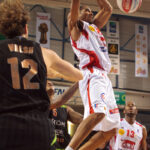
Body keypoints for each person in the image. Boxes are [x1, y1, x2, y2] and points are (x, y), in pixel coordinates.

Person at [0, 0, 83, 150]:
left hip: (7, 125)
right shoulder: (44, 54)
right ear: (26, 28)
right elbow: (78, 75)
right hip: (38, 128)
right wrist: (54, 72)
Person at [66, 0, 120, 149]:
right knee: (98, 113)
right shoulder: (75, 28)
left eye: (91, 11)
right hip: (92, 74)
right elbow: (74, 11)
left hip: (104, 76)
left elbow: (108, 8)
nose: (90, 13)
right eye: (86, 11)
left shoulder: (93, 27)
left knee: (111, 130)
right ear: (77, 14)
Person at [47, 81, 83, 150]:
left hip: (63, 147)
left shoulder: (65, 108)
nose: (50, 83)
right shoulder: (37, 107)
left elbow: (81, 120)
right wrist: (77, 83)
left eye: (52, 83)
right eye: (46, 82)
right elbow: (62, 99)